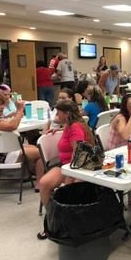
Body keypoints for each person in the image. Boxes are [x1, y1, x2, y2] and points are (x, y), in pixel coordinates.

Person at [37, 100, 94, 239]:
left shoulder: (75, 127)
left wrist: (70, 176)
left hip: (76, 168)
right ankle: (53, 217)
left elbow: (78, 153)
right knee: (44, 183)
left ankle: (64, 221)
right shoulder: (70, 125)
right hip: (66, 166)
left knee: (69, 191)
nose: (56, 115)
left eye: (58, 112)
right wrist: (60, 130)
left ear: (67, 114)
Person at [0, 95, 44, 189]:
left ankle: (31, 174)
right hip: (2, 157)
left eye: (2, 105)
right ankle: (39, 183)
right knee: (41, 153)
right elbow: (13, 126)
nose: (2, 107)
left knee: (34, 149)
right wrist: (20, 110)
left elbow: (7, 122)